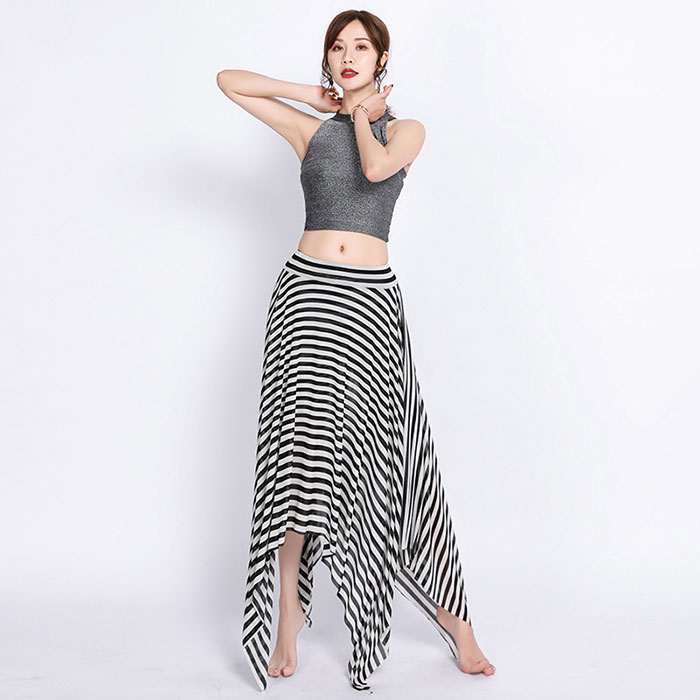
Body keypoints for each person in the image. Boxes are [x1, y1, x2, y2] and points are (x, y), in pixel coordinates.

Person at [217, 9, 495, 693]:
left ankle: (455, 621)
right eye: (337, 48)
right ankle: (288, 616)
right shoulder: (310, 129)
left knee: (385, 461)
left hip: (368, 307)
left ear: (381, 60)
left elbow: (374, 169)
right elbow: (229, 81)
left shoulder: (406, 130)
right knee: (295, 459)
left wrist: (364, 115)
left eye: (361, 47)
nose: (348, 56)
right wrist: (313, 98)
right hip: (305, 299)